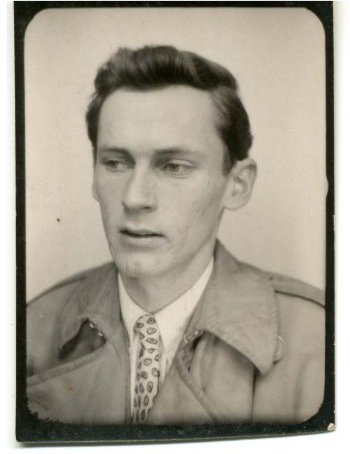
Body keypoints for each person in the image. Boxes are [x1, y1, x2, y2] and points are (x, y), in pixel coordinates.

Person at [26, 45, 325, 425]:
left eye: (174, 167)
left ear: (237, 184)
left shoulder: (319, 342)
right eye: (116, 163)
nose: (135, 198)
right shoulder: (30, 330)